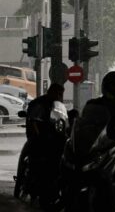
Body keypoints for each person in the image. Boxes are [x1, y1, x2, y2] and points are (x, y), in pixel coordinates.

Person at [62, 71, 115, 212]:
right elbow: (83, 120)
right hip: (98, 144)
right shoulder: (94, 103)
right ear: (106, 86)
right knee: (67, 162)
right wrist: (75, 127)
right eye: (114, 86)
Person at [25, 83, 66, 211]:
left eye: (61, 94)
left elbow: (63, 119)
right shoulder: (39, 103)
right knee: (36, 158)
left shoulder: (59, 106)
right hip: (40, 137)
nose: (59, 96)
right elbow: (33, 121)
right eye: (57, 93)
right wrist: (38, 136)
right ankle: (32, 182)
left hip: (55, 137)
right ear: (51, 92)